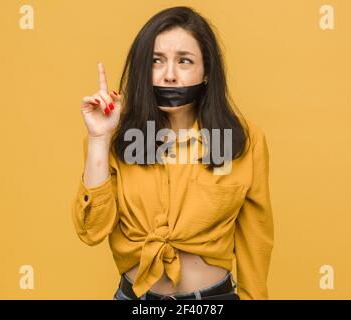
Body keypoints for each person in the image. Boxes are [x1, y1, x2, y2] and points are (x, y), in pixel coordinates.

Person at [71, 6, 274, 300]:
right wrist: (99, 139)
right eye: (156, 61)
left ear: (206, 72)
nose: (169, 76)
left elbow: (256, 240)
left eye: (184, 61)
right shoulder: (112, 137)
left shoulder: (246, 140)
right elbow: (91, 231)